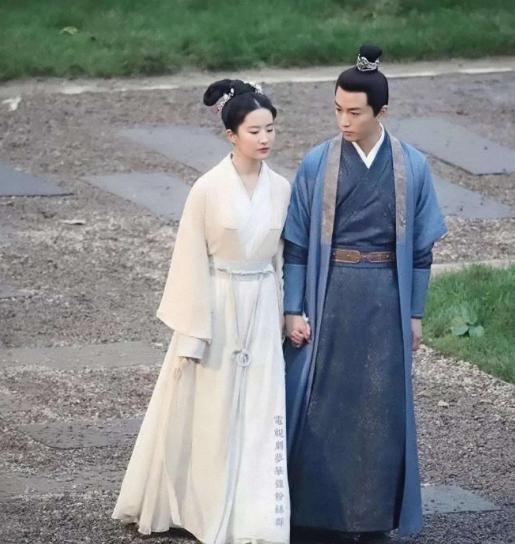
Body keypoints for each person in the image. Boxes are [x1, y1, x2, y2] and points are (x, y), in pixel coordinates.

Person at [112, 79, 291, 544]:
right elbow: (189, 259)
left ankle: (256, 517)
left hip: (261, 303)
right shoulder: (207, 188)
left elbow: (281, 257)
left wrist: (287, 312)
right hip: (217, 303)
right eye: (254, 131)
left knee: (260, 411)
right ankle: (200, 508)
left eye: (270, 129)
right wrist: (193, 331)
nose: (265, 138)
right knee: (210, 412)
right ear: (232, 134)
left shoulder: (281, 188)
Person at [282, 44, 447, 541]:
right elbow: (296, 243)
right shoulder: (318, 162)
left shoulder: (412, 166)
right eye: (337, 109)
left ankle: (373, 518)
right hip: (329, 294)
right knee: (320, 403)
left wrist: (414, 313)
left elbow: (421, 251)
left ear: (382, 112)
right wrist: (293, 308)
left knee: (380, 408)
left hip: (384, 299)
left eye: (354, 112)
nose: (343, 121)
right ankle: (315, 516)